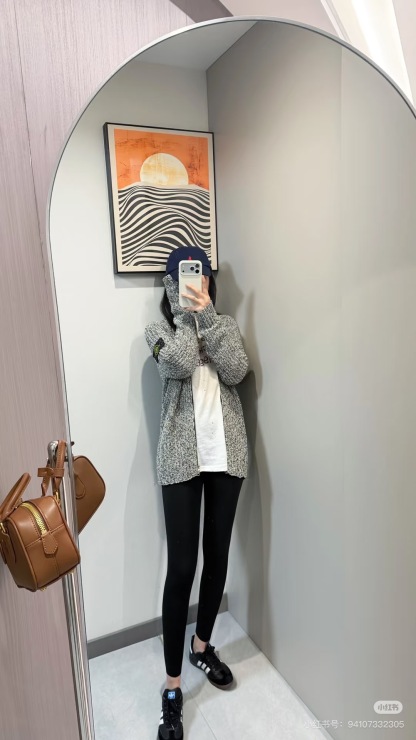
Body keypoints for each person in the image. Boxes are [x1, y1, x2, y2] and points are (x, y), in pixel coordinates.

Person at [144, 246, 249, 740]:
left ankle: (201, 647)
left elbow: (237, 370)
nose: (194, 283)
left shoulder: (223, 325)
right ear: (171, 285)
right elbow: (178, 364)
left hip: (227, 458)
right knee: (183, 568)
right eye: (185, 278)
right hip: (181, 461)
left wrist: (206, 315)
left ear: (210, 282)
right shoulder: (159, 333)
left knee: (218, 555)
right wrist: (187, 314)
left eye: (200, 276)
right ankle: (172, 688)